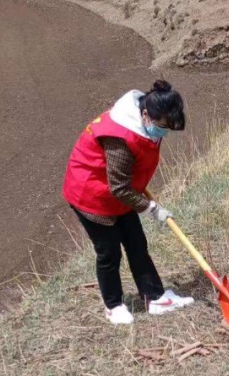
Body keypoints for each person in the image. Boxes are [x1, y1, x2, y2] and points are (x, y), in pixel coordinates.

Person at [62, 80, 195, 325]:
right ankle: (114, 306)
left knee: (136, 243)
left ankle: (155, 297)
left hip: (118, 189)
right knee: (109, 252)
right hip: (91, 195)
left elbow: (126, 177)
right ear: (146, 114)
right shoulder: (121, 136)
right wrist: (152, 208)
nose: (163, 132)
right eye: (162, 126)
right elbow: (119, 188)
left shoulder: (147, 121)